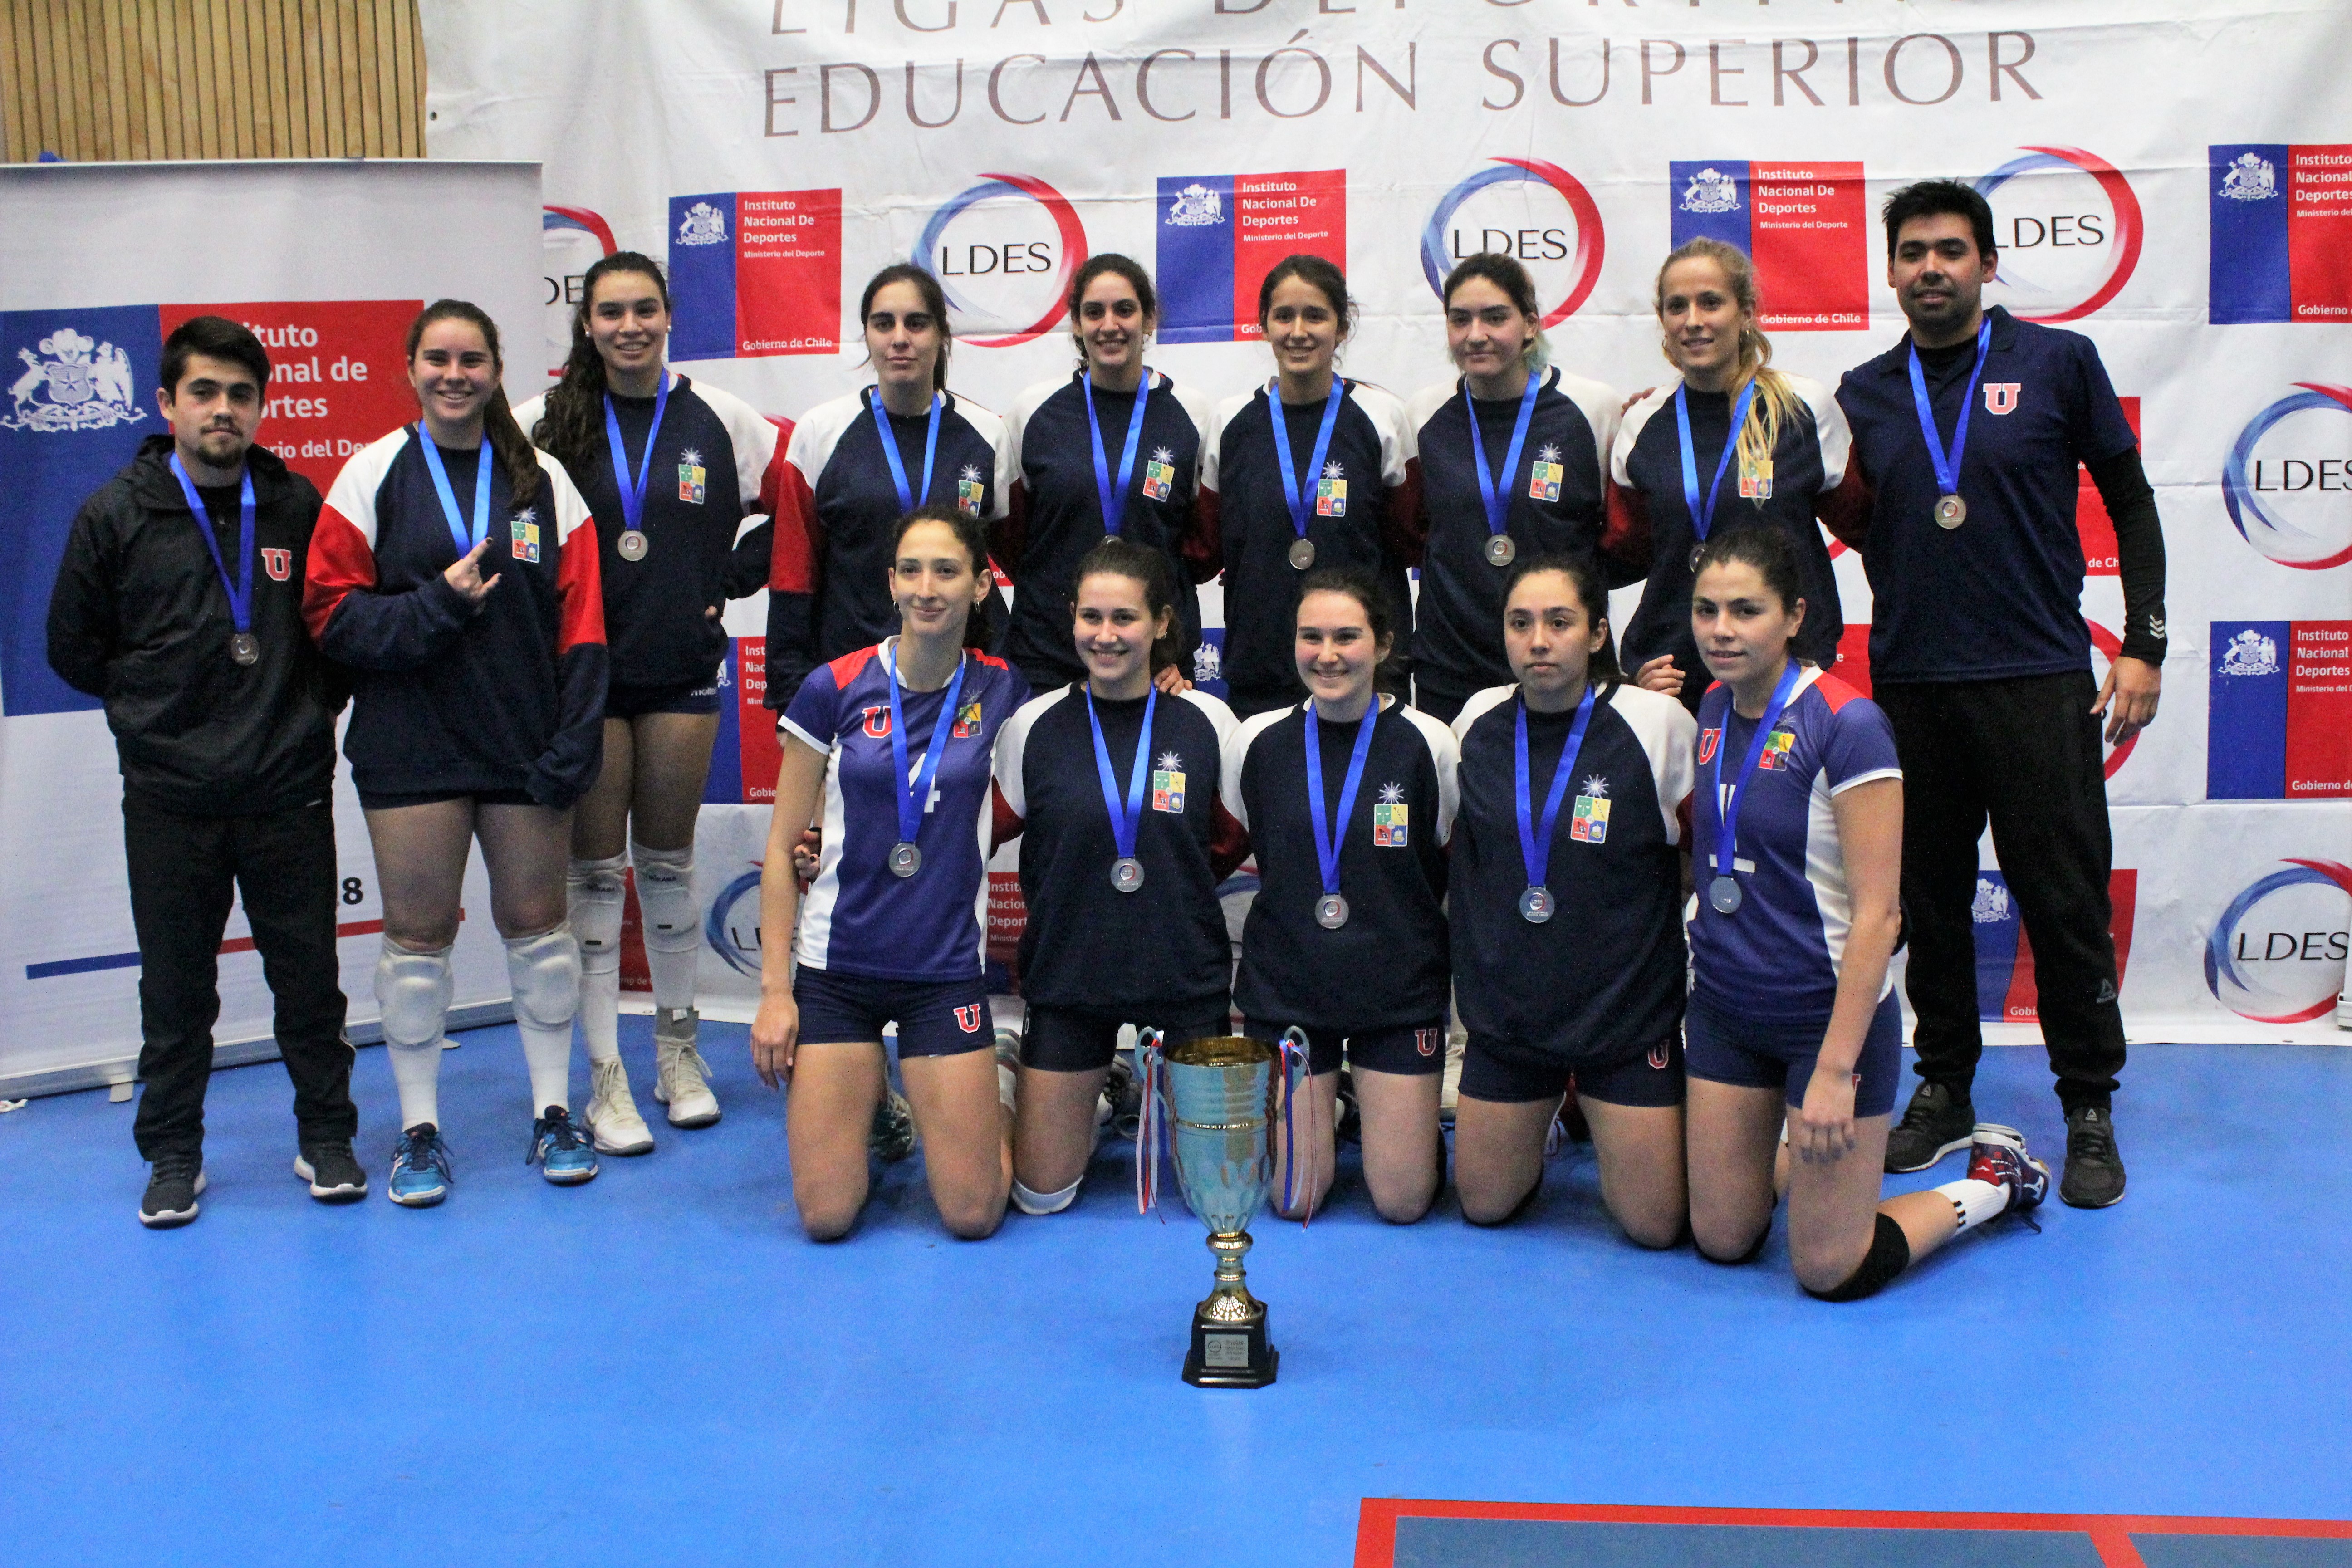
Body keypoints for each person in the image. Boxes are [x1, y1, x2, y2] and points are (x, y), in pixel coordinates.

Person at [1824, 181, 2164, 1208]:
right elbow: (1844, 518)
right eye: (1911, 252)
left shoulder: (2057, 362)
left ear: (1985, 262)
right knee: (1926, 901)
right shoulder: (1862, 391)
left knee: (2063, 901)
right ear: (1890, 270)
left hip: (2036, 679)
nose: (1929, 268)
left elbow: (2130, 500)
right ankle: (1941, 1084)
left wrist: (2142, 644)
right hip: (1913, 686)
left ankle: (2087, 1102)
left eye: (1949, 250)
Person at [46, 315, 362, 1227]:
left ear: (261, 407)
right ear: (167, 403)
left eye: (241, 395)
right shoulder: (115, 515)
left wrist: (307, 710)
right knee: (177, 991)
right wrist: (154, 711)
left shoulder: (296, 505)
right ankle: (174, 1154)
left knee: (309, 980)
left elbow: (336, 626)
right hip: (170, 797)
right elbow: (72, 647)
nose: (223, 410)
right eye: (205, 392)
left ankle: (326, 1134)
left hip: (285, 788)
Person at [1681, 529, 2048, 1299]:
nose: (1721, 630)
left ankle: (1993, 1183)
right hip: (1725, 1010)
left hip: (1824, 1019)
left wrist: (1830, 1070)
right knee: (1721, 1238)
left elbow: (1880, 917)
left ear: (1793, 616)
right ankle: (1813, 1163)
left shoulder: (1847, 725)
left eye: (1745, 610)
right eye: (1706, 610)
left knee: (1828, 1268)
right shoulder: (1712, 706)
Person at [305, 299, 608, 1206]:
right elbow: (329, 618)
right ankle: (419, 1130)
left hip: (522, 745)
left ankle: (554, 1113)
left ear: (497, 370)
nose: (454, 374)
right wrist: (435, 605)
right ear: (410, 368)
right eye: (437, 358)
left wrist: (576, 738)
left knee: (541, 934)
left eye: (472, 359)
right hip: (412, 748)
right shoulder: (371, 474)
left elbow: (584, 624)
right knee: (416, 942)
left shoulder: (543, 482)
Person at [516, 251, 789, 1155]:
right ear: (586, 324)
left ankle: (678, 1053)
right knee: (595, 880)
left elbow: (800, 503)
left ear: (669, 316)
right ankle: (605, 1077)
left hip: (678, 673)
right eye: (611, 313)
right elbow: (507, 529)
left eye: (644, 310)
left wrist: (728, 578)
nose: (629, 327)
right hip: (584, 680)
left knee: (667, 870)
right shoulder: (543, 422)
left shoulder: (723, 417)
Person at [748, 505, 1030, 1241]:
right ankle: (877, 1102)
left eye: (947, 571)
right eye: (911, 570)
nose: (927, 588)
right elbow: (781, 849)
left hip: (943, 972)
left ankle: (999, 1085)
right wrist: (775, 993)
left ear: (979, 586)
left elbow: (1094, 714)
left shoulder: (1005, 691)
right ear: (891, 583)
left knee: (972, 1215)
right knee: (826, 1217)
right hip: (838, 971)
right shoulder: (834, 686)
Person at [1446, 554, 1694, 1242]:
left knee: (1655, 1226)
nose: (1539, 641)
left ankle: (1732, 1145)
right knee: (1484, 1205)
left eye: (1560, 623)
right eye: (1520, 623)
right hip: (1512, 1020)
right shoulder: (1476, 721)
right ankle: (1546, 1122)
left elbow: (1702, 854)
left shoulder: (1657, 723)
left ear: (1597, 633)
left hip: (1624, 1019)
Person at [991, 538, 1243, 1214]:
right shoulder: (1033, 725)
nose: (1106, 636)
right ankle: (1023, 1077)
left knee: (1220, 1196)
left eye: (1125, 618)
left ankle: (1118, 1090)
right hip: (1072, 978)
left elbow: (1232, 839)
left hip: (1184, 977)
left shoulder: (1209, 722)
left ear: (1162, 623)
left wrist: (1169, 883)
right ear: (1071, 619)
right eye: (1092, 617)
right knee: (1041, 1194)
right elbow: (973, 834)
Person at [1221, 566, 1456, 1222]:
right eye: (1312, 636)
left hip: (1396, 990)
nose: (1327, 655)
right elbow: (1225, 844)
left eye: (1347, 637)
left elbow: (1448, 864)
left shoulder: (1430, 743)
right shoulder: (1256, 741)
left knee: (1403, 1202)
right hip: (1290, 988)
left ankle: (1388, 1122)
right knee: (1294, 1197)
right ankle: (1340, 1110)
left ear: (1384, 644)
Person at [1609, 238, 1852, 715]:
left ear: (1746, 312)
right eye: (1677, 306)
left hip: (1785, 672)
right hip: (1675, 675)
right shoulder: (1642, 422)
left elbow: (1860, 522)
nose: (1693, 320)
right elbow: (1629, 551)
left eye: (1711, 302)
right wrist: (1641, 672)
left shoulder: (1803, 410)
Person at [763, 265, 1013, 714]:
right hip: (851, 679)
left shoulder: (988, 435)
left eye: (916, 323)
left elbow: (1018, 560)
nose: (900, 338)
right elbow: (792, 574)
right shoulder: (820, 432)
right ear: (867, 335)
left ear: (942, 334)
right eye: (884, 324)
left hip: (963, 685)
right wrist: (789, 699)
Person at [1406, 253, 1625, 724]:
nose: (1476, 335)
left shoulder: (1593, 408)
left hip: (1563, 665)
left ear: (1530, 324)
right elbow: (1411, 530)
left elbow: (1620, 535)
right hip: (1452, 667)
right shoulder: (1422, 414)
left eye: (1495, 317)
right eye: (1460, 320)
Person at [1198, 255, 1419, 718]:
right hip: (1261, 669)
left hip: (1364, 673)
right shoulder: (1230, 422)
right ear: (1265, 325)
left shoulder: (1383, 417)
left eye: (1315, 316)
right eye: (1284, 316)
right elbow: (1208, 545)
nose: (1298, 332)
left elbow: (1409, 540)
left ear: (1342, 327)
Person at [998, 254, 1212, 697]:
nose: (1109, 325)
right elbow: (1013, 537)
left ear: (1149, 319)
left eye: (1125, 310)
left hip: (1156, 664)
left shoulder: (1193, 414)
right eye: (1094, 312)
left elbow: (1201, 547)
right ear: (1076, 324)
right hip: (1048, 656)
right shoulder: (1033, 412)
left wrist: (1167, 644)